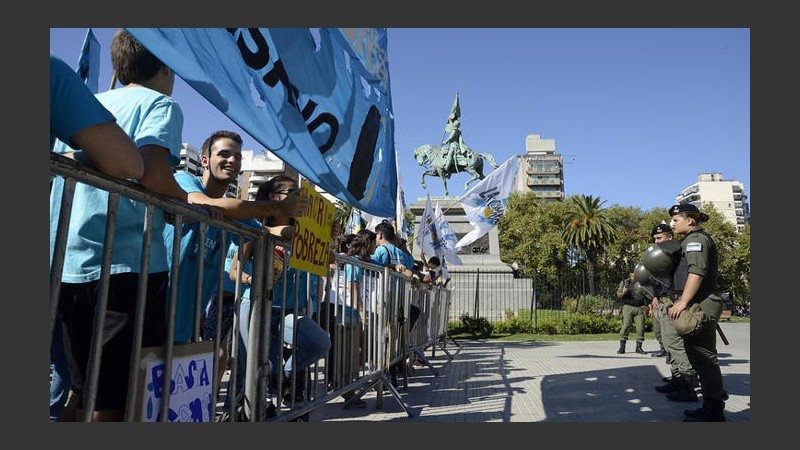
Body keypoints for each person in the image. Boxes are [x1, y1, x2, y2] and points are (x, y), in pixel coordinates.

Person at [50, 29, 194, 421]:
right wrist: (184, 204)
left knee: (82, 390)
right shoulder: (161, 105)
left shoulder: (89, 102)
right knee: (116, 397)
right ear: (167, 68)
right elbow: (152, 173)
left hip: (67, 261)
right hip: (128, 264)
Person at [49, 52, 144, 422]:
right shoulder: (51, 73)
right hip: (95, 267)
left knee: (72, 380)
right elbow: (130, 164)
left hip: (70, 264)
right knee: (88, 389)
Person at [232, 176, 332, 408]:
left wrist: (328, 236)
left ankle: (281, 380)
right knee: (251, 369)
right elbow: (234, 271)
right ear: (273, 197)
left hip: (287, 310)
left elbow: (330, 259)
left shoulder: (304, 233)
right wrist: (251, 279)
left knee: (319, 343)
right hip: (255, 307)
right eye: (291, 192)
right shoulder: (256, 229)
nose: (299, 197)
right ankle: (249, 411)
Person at [666, 204, 728, 422]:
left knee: (704, 358)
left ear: (690, 220)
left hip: (701, 303)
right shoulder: (692, 240)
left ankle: (714, 408)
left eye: (675, 220)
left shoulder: (695, 240)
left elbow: (696, 272)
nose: (672, 224)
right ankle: (713, 403)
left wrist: (683, 301)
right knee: (700, 356)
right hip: (700, 302)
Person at [644, 223, 700, 403]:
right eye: (654, 239)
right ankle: (677, 379)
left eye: (659, 238)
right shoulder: (664, 255)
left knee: (675, 343)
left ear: (669, 236)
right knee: (668, 342)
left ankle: (687, 384)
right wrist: (655, 297)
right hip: (665, 300)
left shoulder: (677, 248)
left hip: (676, 300)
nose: (656, 241)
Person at [615, 272, 647, 354]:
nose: (634, 275)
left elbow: (647, 294)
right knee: (626, 325)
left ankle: (639, 347)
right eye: (633, 274)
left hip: (640, 307)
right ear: (630, 275)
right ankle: (622, 347)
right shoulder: (625, 282)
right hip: (628, 307)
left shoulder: (642, 282)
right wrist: (624, 292)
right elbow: (619, 295)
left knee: (641, 327)